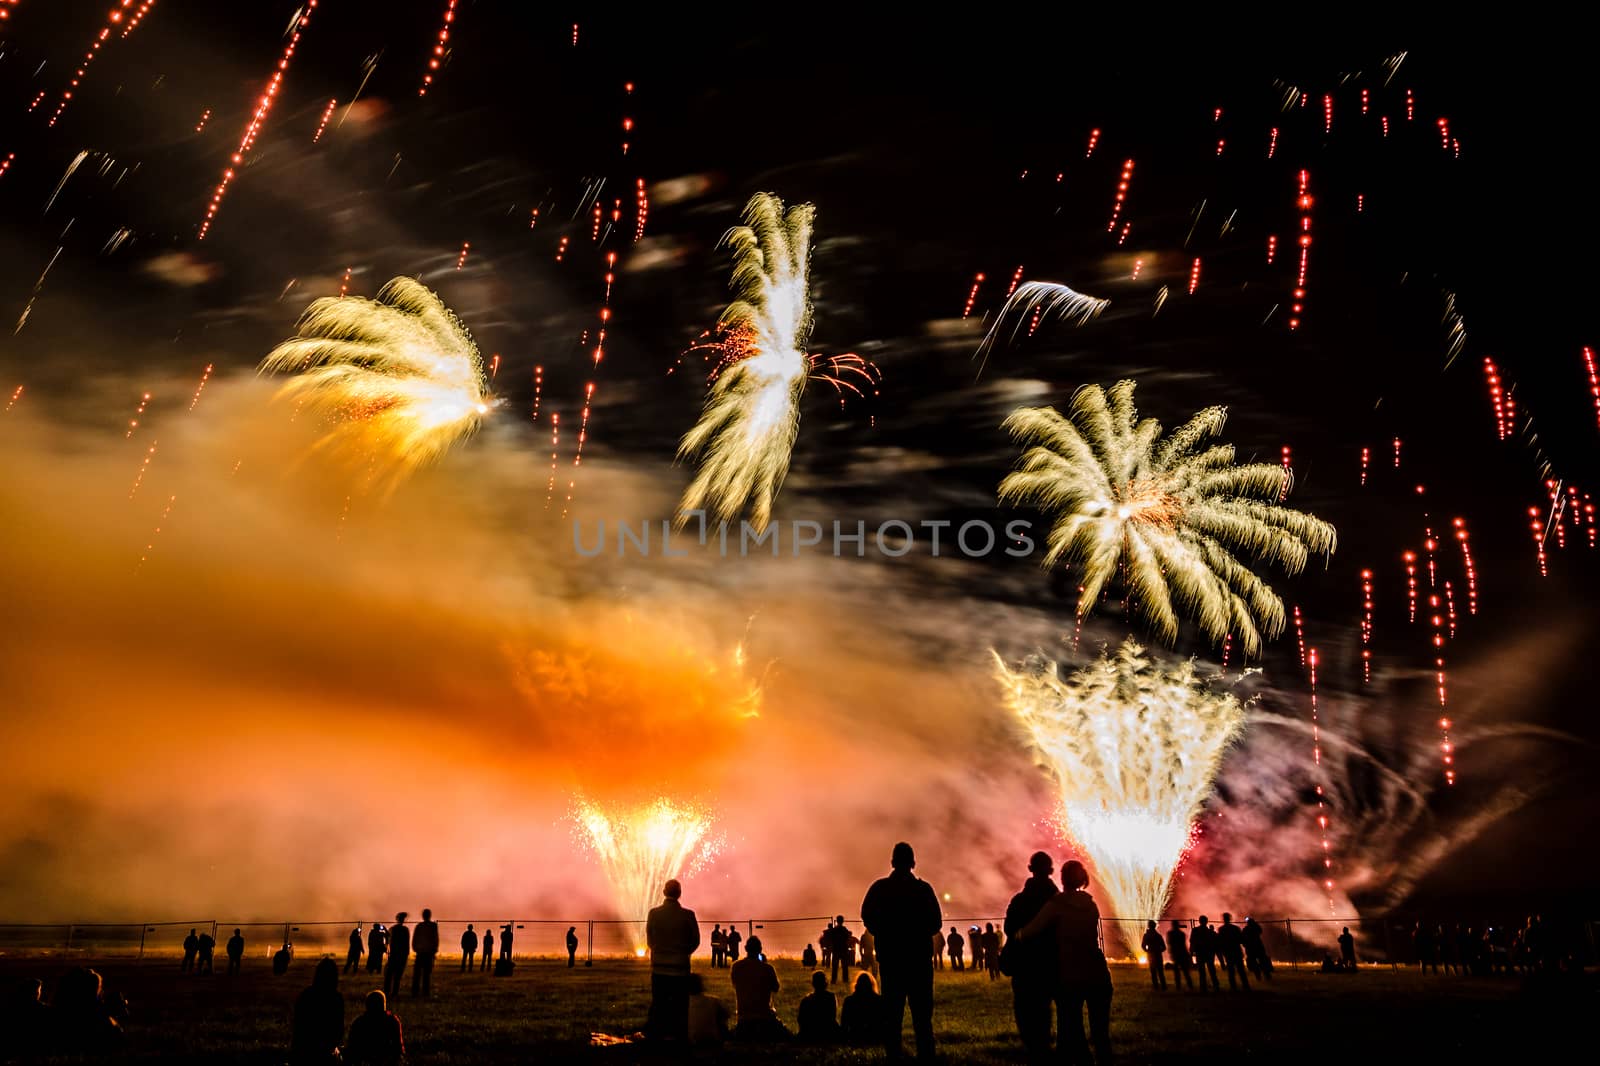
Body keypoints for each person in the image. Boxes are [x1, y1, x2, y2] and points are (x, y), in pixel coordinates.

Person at [1018, 860, 1113, 1066]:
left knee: (1074, 1029)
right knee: (1101, 1033)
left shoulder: (1057, 904)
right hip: (1098, 970)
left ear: (1062, 878)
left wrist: (1016, 936)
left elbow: (1032, 930)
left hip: (1072, 973)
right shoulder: (1091, 904)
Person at [860, 841, 941, 1061]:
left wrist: (883, 931)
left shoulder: (879, 889)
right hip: (918, 962)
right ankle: (926, 1057)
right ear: (913, 863)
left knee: (893, 1016)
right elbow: (936, 923)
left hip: (891, 960)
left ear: (893, 862)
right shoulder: (923, 890)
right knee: (923, 1018)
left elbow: (866, 915)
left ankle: (894, 1057)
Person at [1004, 851, 1059, 1062]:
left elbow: (1010, 928)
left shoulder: (1019, 900)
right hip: (1049, 963)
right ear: (1050, 871)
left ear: (1030, 869)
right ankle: (1044, 1048)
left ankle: (1032, 1048)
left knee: (1025, 1009)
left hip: (1024, 965)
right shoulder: (1057, 899)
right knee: (1044, 1009)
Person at [645, 879, 700, 1042]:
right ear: (680, 893)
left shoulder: (653, 913)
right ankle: (679, 1037)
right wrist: (683, 953)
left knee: (659, 1003)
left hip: (659, 968)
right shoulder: (688, 915)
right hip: (680, 968)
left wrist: (659, 950)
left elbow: (649, 939)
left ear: (664, 893)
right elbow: (695, 940)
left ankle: (658, 1036)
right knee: (680, 1006)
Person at [730, 935, 788, 1041]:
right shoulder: (768, 968)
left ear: (746, 949)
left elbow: (734, 984)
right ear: (760, 950)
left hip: (743, 1018)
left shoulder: (736, 967)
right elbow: (776, 988)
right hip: (765, 1017)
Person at [290, 957, 344, 1064]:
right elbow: (338, 1030)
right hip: (325, 1052)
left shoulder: (305, 995)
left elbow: (298, 1025)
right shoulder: (336, 998)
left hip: (303, 1050)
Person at [345, 989, 404, 1066]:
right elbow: (398, 1048)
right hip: (385, 1059)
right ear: (383, 1005)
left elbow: (352, 1048)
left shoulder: (359, 1022)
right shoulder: (392, 1021)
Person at [840, 971, 883, 1046]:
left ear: (857, 985)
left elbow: (844, 1023)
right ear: (871, 985)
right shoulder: (878, 1000)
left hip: (855, 1035)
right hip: (874, 1036)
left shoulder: (849, 1000)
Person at [797, 969, 840, 1044]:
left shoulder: (806, 1000)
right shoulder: (831, 997)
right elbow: (832, 1017)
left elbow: (801, 1020)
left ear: (813, 983)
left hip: (810, 1034)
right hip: (828, 1033)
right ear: (825, 983)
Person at [686, 973, 730, 1047]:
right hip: (712, 1040)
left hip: (690, 1041)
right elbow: (727, 1015)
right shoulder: (713, 1001)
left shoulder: (679, 1003)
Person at [1217, 913, 1249, 991]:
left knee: (1231, 971)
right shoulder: (1235, 928)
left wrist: (1222, 951)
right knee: (1241, 970)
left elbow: (1220, 942)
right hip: (1236, 951)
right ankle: (1246, 986)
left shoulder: (1221, 929)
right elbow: (1241, 939)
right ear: (1230, 919)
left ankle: (1233, 987)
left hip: (1228, 952)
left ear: (1223, 919)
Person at [411, 909, 439, 997]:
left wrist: (415, 948)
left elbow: (415, 938)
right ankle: (425, 991)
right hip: (428, 953)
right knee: (426, 974)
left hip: (420, 952)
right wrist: (434, 950)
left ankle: (415, 991)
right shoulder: (433, 926)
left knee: (417, 974)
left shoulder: (419, 926)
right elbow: (435, 939)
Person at [383, 913, 409, 1001]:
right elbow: (406, 944)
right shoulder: (405, 930)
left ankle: (387, 991)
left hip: (393, 955)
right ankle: (394, 992)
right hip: (401, 955)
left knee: (389, 974)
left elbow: (388, 940)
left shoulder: (393, 929)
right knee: (397, 975)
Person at [1191, 916, 1219, 991]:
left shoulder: (1195, 930)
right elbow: (1214, 943)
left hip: (1200, 953)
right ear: (1206, 921)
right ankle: (1216, 986)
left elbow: (1192, 941)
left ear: (1199, 921)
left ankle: (1203, 987)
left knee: (1202, 972)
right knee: (1212, 970)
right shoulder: (1210, 932)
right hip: (1209, 953)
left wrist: (1192, 951)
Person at [1167, 920, 1194, 991]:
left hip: (1176, 954)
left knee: (1177, 972)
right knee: (1185, 971)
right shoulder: (1181, 934)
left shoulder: (1170, 934)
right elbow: (1183, 945)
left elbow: (1169, 943)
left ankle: (1178, 986)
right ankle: (1190, 985)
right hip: (1182, 954)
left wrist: (1171, 953)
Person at [1142, 920, 1167, 989]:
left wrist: (1147, 951)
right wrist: (1158, 951)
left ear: (1149, 926)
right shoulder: (1158, 936)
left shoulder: (1146, 935)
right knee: (1160, 972)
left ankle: (1156, 986)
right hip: (1158, 955)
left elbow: (1143, 945)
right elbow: (1164, 947)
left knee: (1153, 972)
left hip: (1151, 955)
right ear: (1155, 926)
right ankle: (1163, 986)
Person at [829, 916, 853, 986]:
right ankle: (845, 979)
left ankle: (833, 980)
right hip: (843, 949)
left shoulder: (834, 930)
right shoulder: (844, 929)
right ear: (843, 921)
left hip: (836, 949)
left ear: (837, 921)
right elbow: (847, 939)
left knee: (835, 966)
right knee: (845, 966)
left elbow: (831, 940)